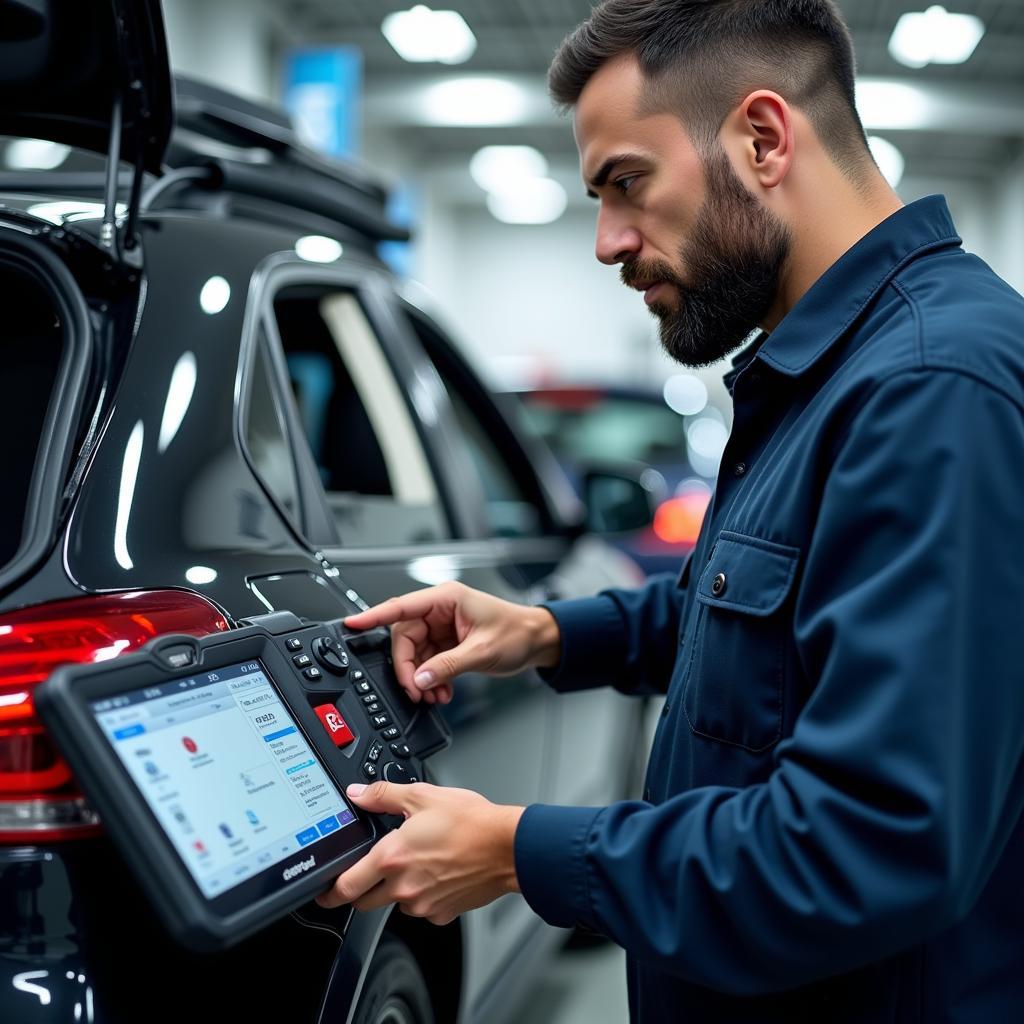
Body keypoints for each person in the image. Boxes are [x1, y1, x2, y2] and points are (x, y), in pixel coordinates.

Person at [316, 1, 1024, 1019]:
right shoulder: (824, 373)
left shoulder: (930, 391)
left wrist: (519, 849)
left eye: (626, 185)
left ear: (763, 138)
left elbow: (868, 847)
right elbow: (768, 623)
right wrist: (549, 634)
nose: (607, 242)